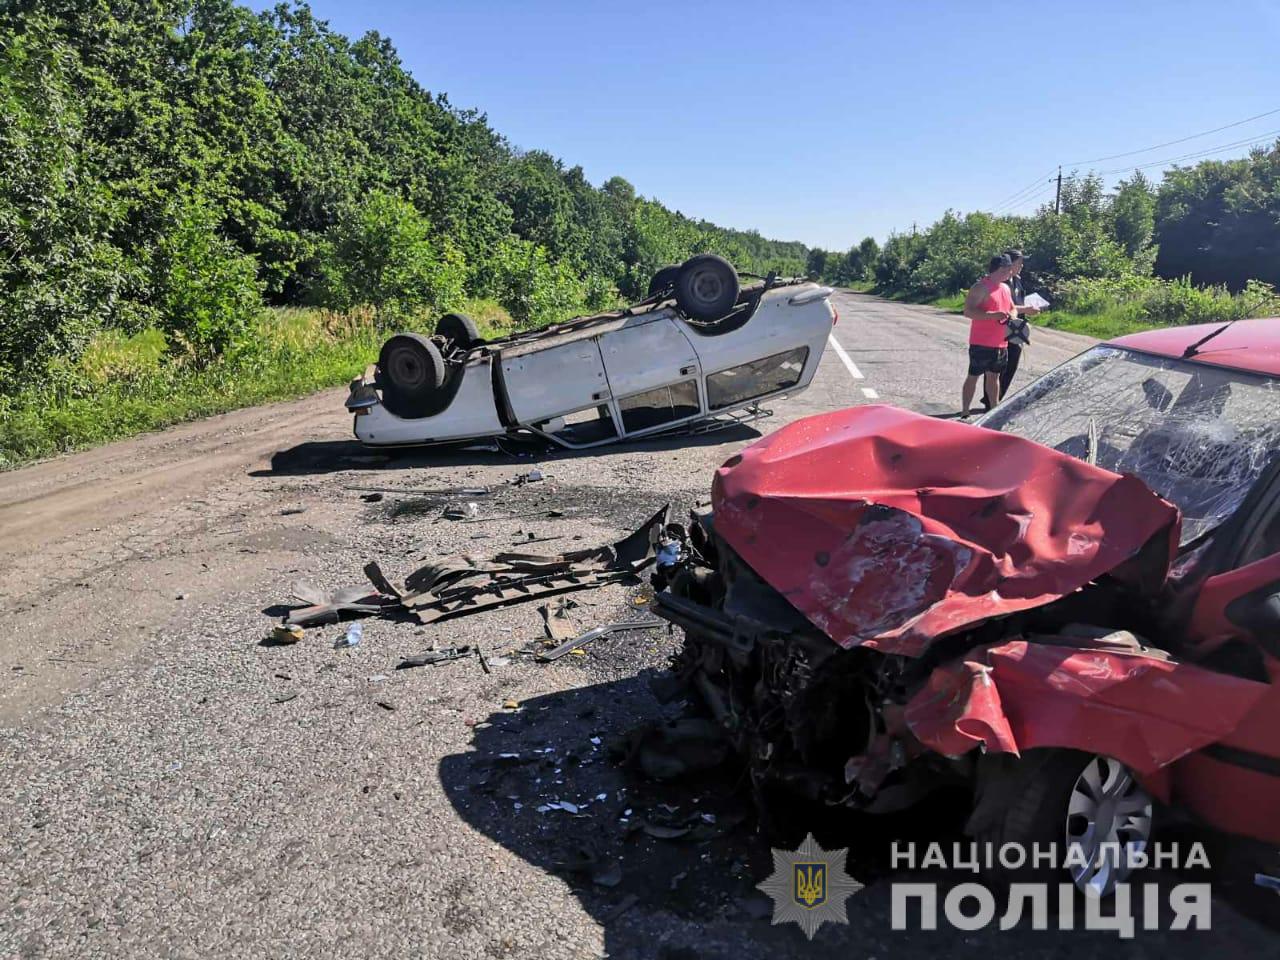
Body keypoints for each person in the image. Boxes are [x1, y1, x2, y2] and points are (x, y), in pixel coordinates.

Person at [982, 248, 1039, 409]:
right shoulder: (1001, 283)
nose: (1022, 266)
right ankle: (990, 402)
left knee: (1011, 365)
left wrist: (1029, 308)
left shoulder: (1018, 280)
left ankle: (996, 400)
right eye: (1019, 262)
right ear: (1010, 264)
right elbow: (1006, 306)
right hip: (1001, 329)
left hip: (1017, 329)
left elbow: (1017, 303)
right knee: (996, 366)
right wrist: (1025, 309)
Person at [961, 254, 1016, 417]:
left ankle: (993, 411)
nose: (1010, 273)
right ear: (1000, 269)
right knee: (973, 376)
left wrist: (1012, 315)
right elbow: (968, 311)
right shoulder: (981, 287)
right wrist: (993, 315)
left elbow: (1013, 307)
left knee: (994, 377)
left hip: (1001, 342)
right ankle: (965, 410)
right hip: (981, 342)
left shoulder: (1005, 288)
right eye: (1008, 269)